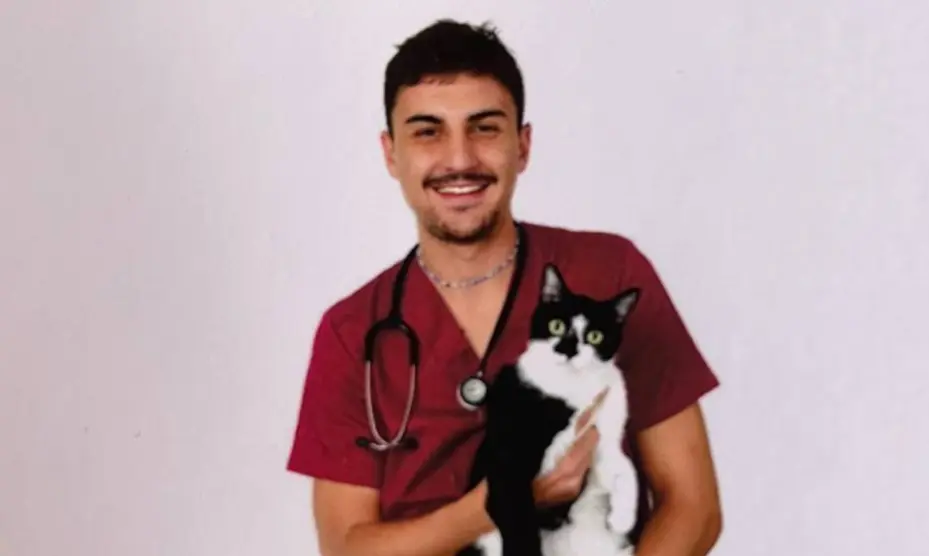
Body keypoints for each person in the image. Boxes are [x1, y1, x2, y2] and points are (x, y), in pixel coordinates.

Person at [286, 18, 722, 556]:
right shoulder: (353, 331)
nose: (459, 159)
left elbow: (693, 505)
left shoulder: (609, 274)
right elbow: (347, 548)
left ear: (523, 145)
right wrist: (493, 505)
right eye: (427, 131)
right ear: (391, 154)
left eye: (485, 128)